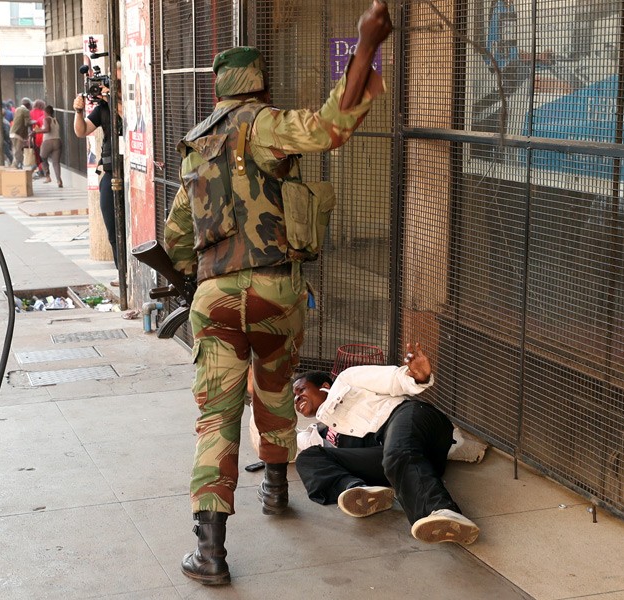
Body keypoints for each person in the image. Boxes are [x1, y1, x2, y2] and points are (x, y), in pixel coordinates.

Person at [162, 1, 392, 586]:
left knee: (216, 419)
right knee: (274, 389)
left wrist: (192, 278)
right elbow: (330, 127)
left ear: (218, 91)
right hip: (275, 291)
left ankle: (210, 553)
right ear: (260, 85)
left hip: (214, 298)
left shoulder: (195, 146)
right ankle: (274, 489)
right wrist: (366, 45)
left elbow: (176, 239)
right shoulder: (264, 125)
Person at [293, 343, 480, 546]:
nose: (297, 398)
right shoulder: (318, 434)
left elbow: (392, 379)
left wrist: (418, 377)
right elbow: (280, 446)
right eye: (294, 397)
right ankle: (358, 491)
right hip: (399, 463)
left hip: (412, 419)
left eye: (301, 390)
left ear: (325, 386)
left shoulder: (347, 379)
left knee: (397, 452)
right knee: (307, 458)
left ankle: (444, 511)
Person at [73, 87, 122, 270]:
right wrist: (78, 111)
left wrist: (113, 99)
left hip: (133, 173)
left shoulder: (131, 102)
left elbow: (129, 120)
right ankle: (122, 272)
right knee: (113, 228)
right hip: (111, 172)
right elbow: (81, 131)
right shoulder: (103, 108)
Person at [36, 105, 63, 187]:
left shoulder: (46, 119)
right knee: (56, 162)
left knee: (41, 158)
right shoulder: (56, 120)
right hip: (57, 141)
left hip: (48, 141)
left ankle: (47, 176)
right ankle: (59, 180)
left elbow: (47, 129)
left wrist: (37, 131)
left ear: (46, 112)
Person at [11, 97, 33, 169]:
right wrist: (35, 121)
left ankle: (16, 165)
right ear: (28, 105)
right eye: (30, 105)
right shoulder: (25, 110)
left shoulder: (17, 109)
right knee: (18, 151)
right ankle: (17, 165)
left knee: (16, 150)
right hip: (18, 134)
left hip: (13, 132)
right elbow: (27, 123)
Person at [30, 99, 47, 178]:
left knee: (37, 154)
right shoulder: (43, 113)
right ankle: (42, 170)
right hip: (43, 136)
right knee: (42, 154)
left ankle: (38, 169)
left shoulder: (31, 113)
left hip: (35, 136)